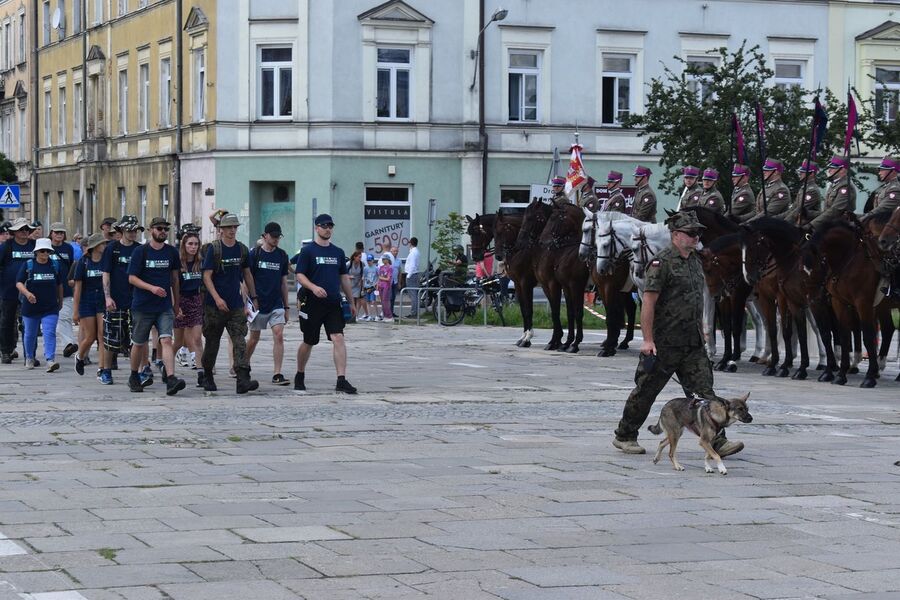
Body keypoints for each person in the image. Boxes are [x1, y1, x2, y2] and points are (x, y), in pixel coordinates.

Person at [613, 211, 743, 458]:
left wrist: (703, 331)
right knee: (646, 392)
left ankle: (717, 441)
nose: (696, 237)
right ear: (675, 235)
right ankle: (625, 435)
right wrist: (648, 340)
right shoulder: (661, 263)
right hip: (664, 343)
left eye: (698, 233)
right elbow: (648, 302)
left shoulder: (694, 261)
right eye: (691, 233)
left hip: (692, 343)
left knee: (705, 395)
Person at [294, 213, 357, 393]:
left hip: (333, 303)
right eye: (324, 226)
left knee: (338, 337)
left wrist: (351, 301)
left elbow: (343, 278)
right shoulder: (308, 251)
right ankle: (300, 374)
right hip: (312, 303)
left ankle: (341, 380)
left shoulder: (338, 252)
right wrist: (313, 287)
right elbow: (299, 275)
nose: (327, 229)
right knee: (309, 341)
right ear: (317, 228)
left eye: (330, 226)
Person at [200, 212, 259, 394]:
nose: (232, 230)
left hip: (235, 305)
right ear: (221, 230)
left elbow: (247, 273)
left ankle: (242, 379)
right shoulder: (214, 249)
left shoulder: (241, 249)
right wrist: (217, 298)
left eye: (235, 227)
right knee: (212, 342)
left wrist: (253, 298)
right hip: (214, 306)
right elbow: (207, 276)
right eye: (229, 227)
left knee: (240, 340)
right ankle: (208, 375)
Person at [125, 217, 185, 395]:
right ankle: (134, 375)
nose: (163, 232)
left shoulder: (171, 252)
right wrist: (151, 288)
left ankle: (171, 378)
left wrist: (176, 304)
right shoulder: (140, 251)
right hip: (142, 306)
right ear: (151, 230)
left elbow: (175, 279)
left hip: (164, 306)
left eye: (166, 229)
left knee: (166, 340)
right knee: (139, 342)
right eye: (159, 228)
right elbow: (132, 278)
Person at [245, 222, 291, 386]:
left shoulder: (282, 255)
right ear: (265, 236)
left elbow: (284, 283)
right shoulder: (254, 254)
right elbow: (246, 279)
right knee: (253, 339)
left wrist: (286, 307)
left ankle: (277, 373)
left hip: (276, 303)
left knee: (279, 335)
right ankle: (244, 365)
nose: (276, 239)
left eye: (278, 236)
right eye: (273, 236)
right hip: (258, 303)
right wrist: (247, 302)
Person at [99, 215, 142, 385]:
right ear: (121, 231)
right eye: (129, 230)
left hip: (136, 301)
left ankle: (138, 371)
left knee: (137, 338)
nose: (133, 233)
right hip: (116, 300)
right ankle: (106, 370)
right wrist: (107, 297)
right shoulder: (112, 249)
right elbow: (106, 273)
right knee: (111, 338)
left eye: (135, 230)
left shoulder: (140, 249)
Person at [15, 238, 62, 372]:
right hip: (31, 307)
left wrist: (61, 300)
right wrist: (27, 293)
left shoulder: (54, 265)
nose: (45, 254)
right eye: (42, 251)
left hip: (50, 306)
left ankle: (50, 360)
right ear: (36, 252)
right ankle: (29, 357)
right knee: (30, 333)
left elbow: (59, 284)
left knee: (49, 332)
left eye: (47, 251)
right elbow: (18, 282)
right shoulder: (28, 265)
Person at [0, 218, 35, 364]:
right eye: (22, 229)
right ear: (14, 232)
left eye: (27, 229)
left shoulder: (34, 245)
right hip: (9, 291)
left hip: (31, 291)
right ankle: (6, 351)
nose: (25, 232)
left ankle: (30, 354)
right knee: (7, 322)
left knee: (29, 323)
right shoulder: (6, 246)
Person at [72, 233, 108, 376]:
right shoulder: (83, 262)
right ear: (95, 246)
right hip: (86, 302)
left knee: (102, 336)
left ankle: (102, 368)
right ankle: (80, 356)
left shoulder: (106, 261)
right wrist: (75, 311)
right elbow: (78, 288)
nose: (105, 246)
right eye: (102, 244)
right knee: (90, 336)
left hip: (102, 301)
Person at [173, 229, 203, 373]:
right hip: (181, 301)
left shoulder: (200, 263)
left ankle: (201, 371)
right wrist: (176, 306)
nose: (193, 247)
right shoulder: (178, 264)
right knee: (178, 342)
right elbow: (172, 286)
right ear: (184, 245)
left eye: (196, 244)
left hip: (195, 301)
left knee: (197, 338)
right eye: (190, 244)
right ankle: (165, 364)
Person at [48, 222, 78, 358]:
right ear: (51, 233)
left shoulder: (68, 248)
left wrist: (72, 280)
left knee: (64, 318)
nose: (59, 235)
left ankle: (69, 344)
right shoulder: (45, 247)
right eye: (56, 232)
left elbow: (72, 265)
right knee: (51, 321)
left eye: (61, 232)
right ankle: (51, 348)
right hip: (47, 288)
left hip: (66, 289)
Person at [809, 156, 857, 231]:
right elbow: (826, 210)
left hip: (840, 227)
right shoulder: (834, 185)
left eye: (833, 168)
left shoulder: (846, 186)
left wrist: (812, 224)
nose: (830, 170)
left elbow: (835, 210)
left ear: (842, 170)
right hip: (830, 224)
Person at [782, 160, 822, 226]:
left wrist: (784, 224)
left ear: (811, 174)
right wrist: (776, 219)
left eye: (803, 171)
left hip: (806, 226)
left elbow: (799, 210)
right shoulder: (804, 188)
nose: (800, 173)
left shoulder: (812, 190)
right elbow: (793, 209)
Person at [862, 155, 900, 223]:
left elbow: (882, 209)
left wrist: (864, 217)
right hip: (877, 224)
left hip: (887, 227)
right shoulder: (884, 187)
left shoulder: (895, 189)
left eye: (882, 170)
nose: (879, 173)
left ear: (893, 171)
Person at [403, 237, 420, 317]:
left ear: (410, 243)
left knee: (413, 294)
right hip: (414, 274)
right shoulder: (416, 252)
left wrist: (408, 276)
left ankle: (413, 313)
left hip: (412, 275)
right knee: (414, 294)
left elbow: (412, 265)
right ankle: (415, 312)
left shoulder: (413, 253)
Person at [347, 250, 366, 321]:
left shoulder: (362, 264)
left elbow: (363, 274)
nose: (360, 258)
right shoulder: (349, 264)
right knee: (350, 299)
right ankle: (350, 314)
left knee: (357, 299)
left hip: (357, 284)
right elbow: (343, 273)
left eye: (361, 257)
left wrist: (361, 281)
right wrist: (349, 276)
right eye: (359, 257)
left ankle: (355, 315)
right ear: (354, 257)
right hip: (349, 284)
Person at [377, 253, 394, 323]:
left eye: (384, 259)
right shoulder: (381, 267)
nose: (383, 260)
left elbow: (388, 279)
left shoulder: (390, 268)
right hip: (380, 285)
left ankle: (390, 316)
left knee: (385, 301)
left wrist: (381, 278)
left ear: (388, 260)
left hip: (386, 286)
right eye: (382, 259)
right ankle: (385, 315)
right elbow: (379, 277)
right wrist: (378, 284)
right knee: (382, 301)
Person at [362, 254, 380, 321]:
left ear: (373, 260)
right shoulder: (365, 268)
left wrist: (377, 284)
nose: (369, 262)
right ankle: (369, 315)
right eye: (368, 260)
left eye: (370, 260)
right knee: (367, 301)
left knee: (373, 301)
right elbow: (364, 277)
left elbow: (378, 277)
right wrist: (363, 287)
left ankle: (377, 315)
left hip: (373, 287)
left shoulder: (376, 268)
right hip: (367, 286)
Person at [389, 245, 402, 315]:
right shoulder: (388, 260)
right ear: (391, 252)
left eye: (396, 251)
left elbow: (400, 272)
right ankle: (387, 312)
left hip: (395, 281)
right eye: (394, 251)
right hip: (388, 282)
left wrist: (399, 283)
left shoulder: (399, 261)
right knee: (389, 297)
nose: (395, 252)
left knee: (393, 297)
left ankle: (392, 311)